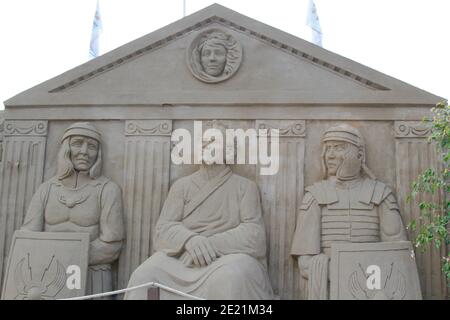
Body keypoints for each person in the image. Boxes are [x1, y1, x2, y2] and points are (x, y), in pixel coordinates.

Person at [124, 121, 273, 300]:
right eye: (203, 142)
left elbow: (254, 234)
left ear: (228, 151)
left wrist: (209, 245)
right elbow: (163, 229)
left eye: (213, 142)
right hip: (182, 258)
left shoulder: (245, 187)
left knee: (231, 277)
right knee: (144, 275)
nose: (205, 146)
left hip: (226, 257)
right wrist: (190, 240)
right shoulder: (182, 186)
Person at [290, 124, 407, 299]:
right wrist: (344, 273)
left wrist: (366, 277)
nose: (330, 155)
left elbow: (399, 253)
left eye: (338, 148)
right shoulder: (315, 196)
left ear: (359, 154)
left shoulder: (380, 194)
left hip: (374, 286)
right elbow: (306, 262)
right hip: (332, 286)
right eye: (328, 148)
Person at [21, 122, 125, 295]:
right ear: (65, 148)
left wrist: (67, 258)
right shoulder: (47, 189)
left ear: (98, 153)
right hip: (46, 276)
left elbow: (112, 245)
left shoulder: (107, 189)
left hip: (92, 274)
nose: (84, 151)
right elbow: (27, 237)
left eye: (91, 146)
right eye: (77, 143)